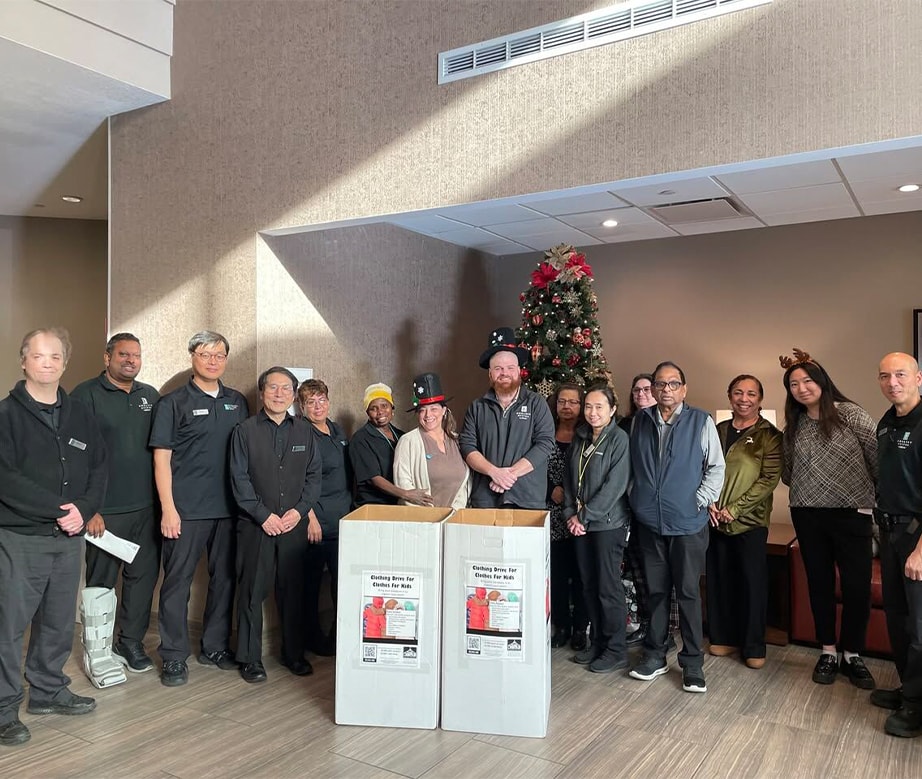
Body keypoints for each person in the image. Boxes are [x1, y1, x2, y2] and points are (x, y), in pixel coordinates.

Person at [0, 328, 107, 748]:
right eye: (39, 356)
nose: (48, 363)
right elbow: (6, 478)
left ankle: (46, 691)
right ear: (24, 361)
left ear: (64, 362)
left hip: (70, 537)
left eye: (56, 356)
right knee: (9, 624)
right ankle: (4, 707)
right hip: (21, 537)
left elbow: (100, 464)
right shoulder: (5, 416)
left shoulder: (80, 412)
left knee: (59, 619)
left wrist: (84, 508)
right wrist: (59, 510)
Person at [149, 331, 249, 687]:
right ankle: (174, 656)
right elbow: (161, 461)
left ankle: (215, 647)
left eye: (219, 355)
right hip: (186, 511)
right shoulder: (172, 403)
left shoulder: (237, 402)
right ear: (192, 356)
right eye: (205, 354)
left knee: (224, 580)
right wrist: (168, 509)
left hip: (229, 509)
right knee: (176, 583)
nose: (212, 361)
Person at [780, 348, 877, 689]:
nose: (801, 388)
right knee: (818, 584)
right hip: (808, 515)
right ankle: (828, 651)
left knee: (856, 587)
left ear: (822, 381)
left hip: (853, 514)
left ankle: (853, 653)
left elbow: (877, 459)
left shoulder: (851, 414)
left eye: (807, 380)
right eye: (793, 384)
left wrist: (869, 499)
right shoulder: (793, 425)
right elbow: (789, 473)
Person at [628, 361, 725, 694]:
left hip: (687, 524)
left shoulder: (701, 421)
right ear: (653, 389)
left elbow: (716, 467)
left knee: (686, 595)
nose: (666, 389)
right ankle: (654, 655)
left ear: (684, 389)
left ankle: (693, 663)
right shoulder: (640, 421)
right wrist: (637, 500)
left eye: (673, 384)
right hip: (650, 524)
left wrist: (699, 500)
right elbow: (631, 467)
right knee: (655, 593)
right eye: (660, 384)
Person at [71, 333, 161, 684]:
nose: (131, 360)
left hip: (146, 507)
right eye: (123, 354)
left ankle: (130, 644)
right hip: (105, 512)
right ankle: (98, 650)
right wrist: (88, 508)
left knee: (142, 581)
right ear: (107, 356)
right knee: (101, 584)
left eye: (136, 355)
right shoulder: (85, 395)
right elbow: (75, 456)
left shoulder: (149, 396)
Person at [230, 367, 321, 682]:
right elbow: (238, 480)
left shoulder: (304, 431)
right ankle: (250, 658)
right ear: (262, 392)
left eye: (286, 388)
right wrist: (262, 515)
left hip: (293, 525)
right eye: (273, 388)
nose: (279, 393)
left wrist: (300, 511)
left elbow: (313, 477)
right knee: (252, 592)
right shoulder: (245, 431)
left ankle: (293, 654)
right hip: (256, 527)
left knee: (292, 591)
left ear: (294, 395)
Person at [706, 374, 783, 669]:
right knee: (719, 579)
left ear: (760, 399)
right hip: (715, 519)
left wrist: (734, 509)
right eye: (738, 392)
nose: (744, 399)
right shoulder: (718, 429)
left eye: (751, 394)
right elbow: (705, 467)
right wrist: (711, 503)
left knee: (752, 583)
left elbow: (768, 480)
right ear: (729, 396)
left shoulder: (770, 435)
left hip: (750, 521)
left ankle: (753, 645)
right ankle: (722, 636)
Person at [563, 384, 632, 673]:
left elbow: (614, 487)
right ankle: (599, 644)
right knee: (588, 585)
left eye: (599, 407)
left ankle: (616, 648)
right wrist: (570, 513)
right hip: (580, 524)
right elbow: (569, 480)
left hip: (607, 525)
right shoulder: (580, 438)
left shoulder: (619, 439)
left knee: (607, 587)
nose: (592, 412)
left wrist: (585, 517)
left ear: (613, 409)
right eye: (588, 406)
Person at [872, 352, 922, 737]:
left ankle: (916, 708)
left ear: (918, 378)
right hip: (889, 534)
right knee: (897, 619)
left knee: (920, 626)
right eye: (886, 376)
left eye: (901, 374)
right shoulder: (887, 423)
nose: (893, 382)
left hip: (916, 537)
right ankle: (909, 689)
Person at [459, 327, 555, 509]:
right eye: (498, 368)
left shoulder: (537, 403)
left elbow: (545, 443)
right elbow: (467, 447)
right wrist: (493, 472)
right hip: (486, 499)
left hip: (527, 499)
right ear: (490, 373)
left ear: (519, 371)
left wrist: (508, 475)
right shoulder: (477, 408)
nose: (504, 373)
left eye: (510, 368)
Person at [618, 373, 678, 647]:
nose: (641, 394)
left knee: (660, 570)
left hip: (660, 510)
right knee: (636, 569)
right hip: (629, 507)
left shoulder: (671, 422)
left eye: (646, 389)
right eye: (636, 390)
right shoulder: (625, 424)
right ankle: (644, 622)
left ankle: (663, 628)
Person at [298, 378, 352, 658]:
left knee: (341, 585)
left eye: (321, 400)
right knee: (310, 588)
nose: (317, 406)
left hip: (343, 521)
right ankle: (311, 639)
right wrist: (310, 519)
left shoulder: (336, 430)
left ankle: (337, 637)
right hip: (317, 524)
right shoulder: (301, 434)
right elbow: (296, 481)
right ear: (302, 406)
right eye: (311, 402)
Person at [547, 382, 588, 651]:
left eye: (573, 402)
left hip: (581, 513)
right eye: (562, 401)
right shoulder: (545, 433)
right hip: (551, 513)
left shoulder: (587, 435)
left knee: (582, 574)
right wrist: (551, 490)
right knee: (558, 574)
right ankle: (560, 625)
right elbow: (532, 466)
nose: (567, 406)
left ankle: (580, 629)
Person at [393, 372, 470, 509]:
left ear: (444, 411)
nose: (428, 415)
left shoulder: (457, 441)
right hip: (420, 520)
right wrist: (428, 516)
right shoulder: (408, 441)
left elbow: (466, 484)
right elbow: (403, 483)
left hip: (454, 518)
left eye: (434, 409)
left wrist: (456, 511)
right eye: (422, 410)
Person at [350, 383, 425, 506]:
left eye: (384, 406)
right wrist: (406, 494)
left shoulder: (401, 436)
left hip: (398, 505)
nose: (380, 412)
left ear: (392, 408)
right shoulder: (360, 439)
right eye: (373, 408)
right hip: (373, 507)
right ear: (368, 413)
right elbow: (374, 479)